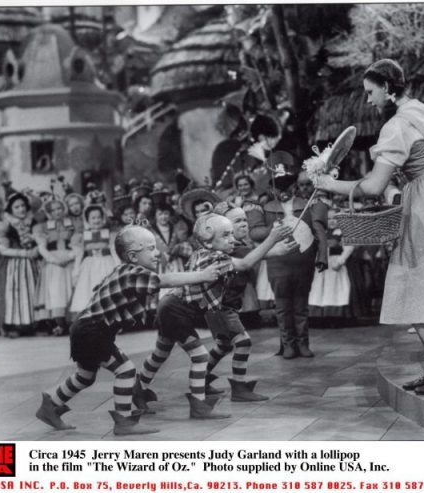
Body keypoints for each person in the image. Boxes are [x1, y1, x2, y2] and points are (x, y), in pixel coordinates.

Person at [315, 59, 424, 395]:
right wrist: (412, 167)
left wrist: (327, 184)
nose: (368, 100)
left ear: (387, 88)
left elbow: (373, 187)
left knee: (412, 288)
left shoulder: (395, 127)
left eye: (370, 92)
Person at [35, 224, 220, 435]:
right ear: (132, 256)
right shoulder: (133, 273)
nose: (157, 252)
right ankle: (124, 421)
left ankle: (51, 406)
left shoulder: (126, 270)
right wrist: (202, 275)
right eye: (150, 248)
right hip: (92, 330)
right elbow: (163, 280)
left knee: (85, 375)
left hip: (87, 329)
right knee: (126, 371)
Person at [134, 212, 291, 418]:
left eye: (230, 234)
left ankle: (138, 390)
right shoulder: (215, 258)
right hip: (176, 311)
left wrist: (271, 247)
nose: (232, 239)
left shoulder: (206, 252)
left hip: (170, 307)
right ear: (209, 241)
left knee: (161, 353)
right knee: (199, 356)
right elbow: (244, 263)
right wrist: (271, 238)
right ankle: (198, 405)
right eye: (225, 235)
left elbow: (243, 256)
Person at [203, 202, 297, 400]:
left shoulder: (237, 246)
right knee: (243, 342)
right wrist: (273, 243)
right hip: (221, 306)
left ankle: (200, 377)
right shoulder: (225, 248)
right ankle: (238, 388)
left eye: (245, 219)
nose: (244, 224)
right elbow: (246, 259)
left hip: (222, 306)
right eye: (237, 221)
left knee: (224, 344)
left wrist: (276, 249)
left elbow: (249, 255)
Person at [247, 151, 328, 359]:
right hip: (278, 264)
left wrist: (322, 257)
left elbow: (319, 232)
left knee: (301, 305)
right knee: (282, 306)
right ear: (271, 188)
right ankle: (288, 344)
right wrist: (275, 227)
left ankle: (303, 344)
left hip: (304, 264)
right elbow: (255, 232)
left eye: (287, 185)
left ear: (294, 185)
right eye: (278, 186)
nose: (283, 190)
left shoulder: (308, 205)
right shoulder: (264, 209)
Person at [0, 192, 41, 338]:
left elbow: (42, 241)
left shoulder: (33, 223)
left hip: (33, 262)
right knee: (15, 292)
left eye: (23, 206)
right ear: (11, 210)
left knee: (33, 290)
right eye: (17, 207)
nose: (21, 209)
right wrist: (24, 253)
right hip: (14, 263)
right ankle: (13, 324)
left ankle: (33, 323)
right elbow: (3, 249)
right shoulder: (6, 225)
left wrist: (36, 250)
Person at [33, 196, 77, 336]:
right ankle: (58, 323)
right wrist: (54, 260)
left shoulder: (72, 225)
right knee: (56, 292)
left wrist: (70, 256)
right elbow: (42, 248)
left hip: (70, 260)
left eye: (59, 208)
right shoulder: (43, 228)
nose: (57, 212)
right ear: (48, 213)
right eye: (53, 210)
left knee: (71, 290)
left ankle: (72, 322)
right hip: (54, 264)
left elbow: (78, 243)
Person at [68, 204, 118, 319]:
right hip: (89, 265)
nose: (96, 220)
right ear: (87, 220)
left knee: (106, 290)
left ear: (103, 218)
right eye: (93, 218)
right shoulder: (82, 236)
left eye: (98, 217)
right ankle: (90, 318)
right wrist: (76, 269)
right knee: (87, 290)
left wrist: (117, 265)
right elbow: (79, 254)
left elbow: (114, 251)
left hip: (106, 263)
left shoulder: (109, 234)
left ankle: (109, 318)